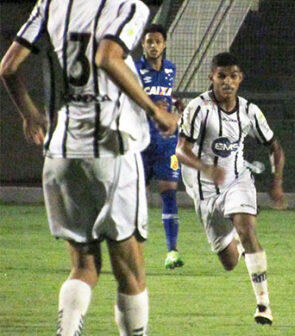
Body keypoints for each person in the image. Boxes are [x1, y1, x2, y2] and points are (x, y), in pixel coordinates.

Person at [0, 1, 178, 335]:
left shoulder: (51, 4)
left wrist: (29, 113)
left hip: (62, 152)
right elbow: (107, 57)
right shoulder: (129, 7)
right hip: (111, 149)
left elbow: (7, 67)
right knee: (131, 272)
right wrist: (156, 112)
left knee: (84, 265)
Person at [175, 52, 286, 325]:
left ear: (240, 79)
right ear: (211, 77)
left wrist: (277, 182)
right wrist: (206, 168)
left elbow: (275, 147)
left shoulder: (250, 111)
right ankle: (235, 240)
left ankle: (263, 305)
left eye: (233, 76)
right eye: (221, 76)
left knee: (247, 226)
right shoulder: (198, 109)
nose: (227, 81)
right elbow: (181, 150)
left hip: (237, 180)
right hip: (205, 192)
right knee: (229, 262)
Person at [136, 23, 185, 269]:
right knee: (136, 199)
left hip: (166, 144)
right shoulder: (134, 70)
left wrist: (176, 102)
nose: (153, 46)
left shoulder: (170, 69)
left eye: (157, 41)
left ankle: (172, 251)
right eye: (149, 42)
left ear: (164, 44)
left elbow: (166, 94)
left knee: (169, 192)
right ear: (143, 44)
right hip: (140, 144)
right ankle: (135, 252)